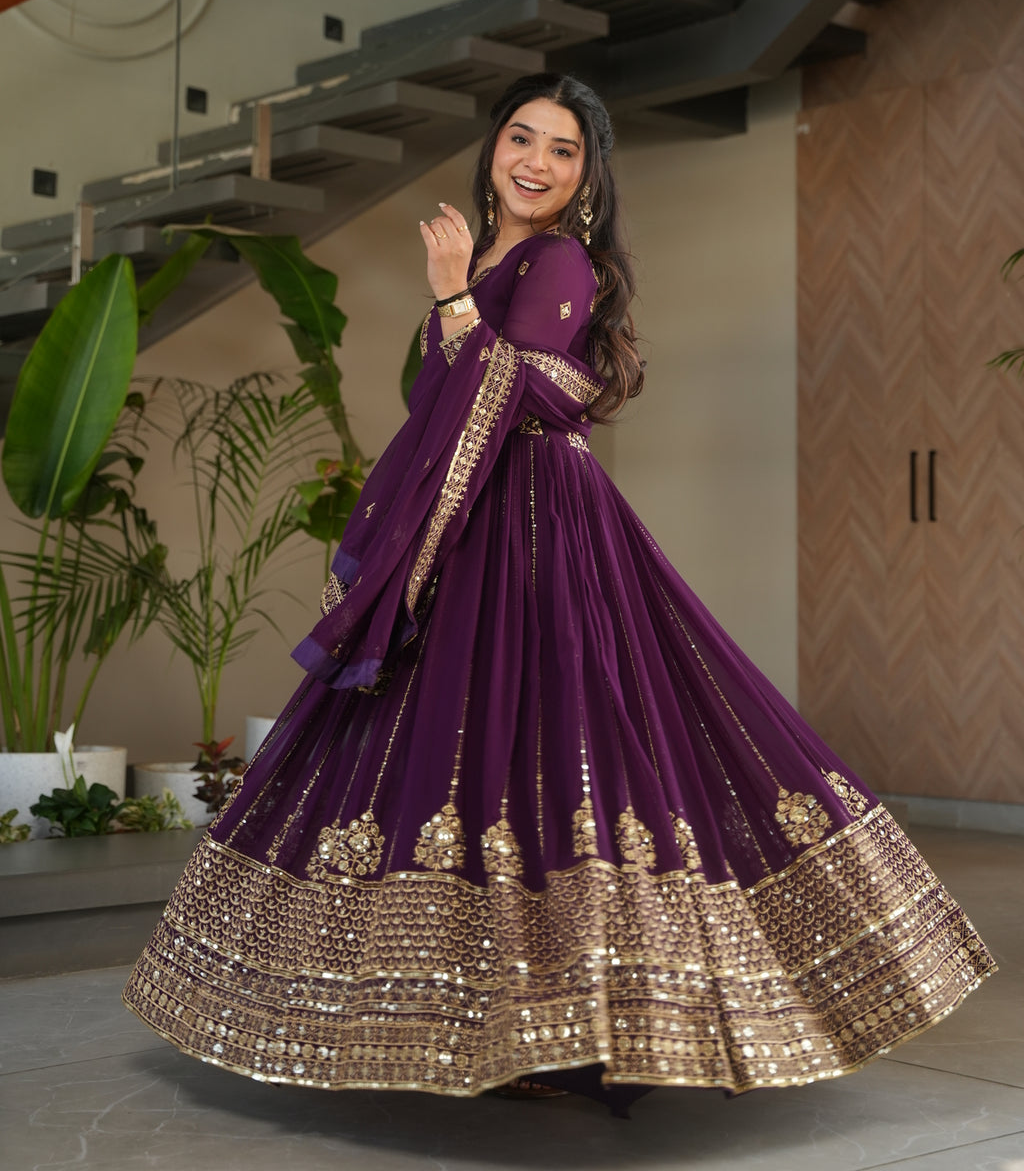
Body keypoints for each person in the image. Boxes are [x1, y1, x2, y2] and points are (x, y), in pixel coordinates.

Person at [123, 73, 994, 1113]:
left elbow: (531, 387)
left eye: (563, 149)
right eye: (521, 138)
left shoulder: (557, 258)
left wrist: (452, 299)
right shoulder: (489, 251)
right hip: (472, 521)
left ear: (588, 174)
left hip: (534, 528)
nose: (535, 162)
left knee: (560, 741)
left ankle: (578, 1023)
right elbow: (465, 394)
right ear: (492, 146)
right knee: (462, 754)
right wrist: (457, 305)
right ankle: (475, 1013)